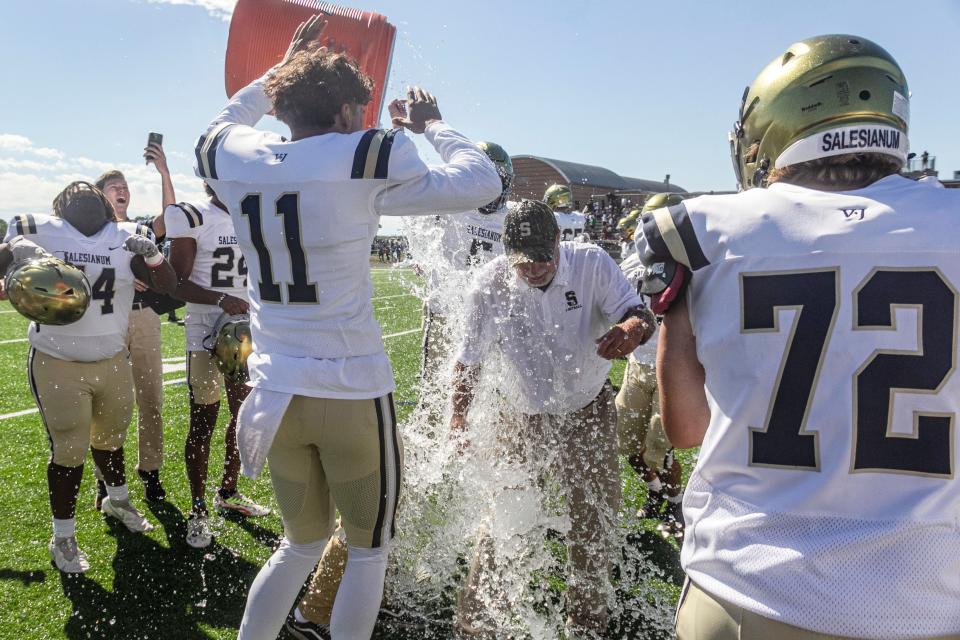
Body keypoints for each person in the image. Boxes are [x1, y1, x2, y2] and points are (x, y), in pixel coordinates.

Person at [637, 35, 960, 640]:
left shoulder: (699, 231)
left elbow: (684, 429)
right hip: (929, 596)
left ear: (775, 127)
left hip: (748, 587)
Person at [193, 15, 501, 640]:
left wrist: (273, 72)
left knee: (298, 547)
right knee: (368, 552)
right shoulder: (365, 153)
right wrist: (434, 124)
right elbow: (484, 181)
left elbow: (224, 122)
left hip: (275, 391)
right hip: (352, 392)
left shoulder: (240, 157)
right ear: (342, 112)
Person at [285, 140, 516, 637]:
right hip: (454, 358)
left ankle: (445, 600)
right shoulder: (465, 211)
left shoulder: (477, 212)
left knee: (475, 484)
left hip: (490, 362)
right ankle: (330, 601)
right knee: (402, 482)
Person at [450, 199, 655, 639]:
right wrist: (458, 418)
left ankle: (587, 621)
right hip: (520, 414)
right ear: (507, 253)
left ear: (560, 240)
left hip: (587, 409)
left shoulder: (592, 263)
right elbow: (468, 362)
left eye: (544, 258)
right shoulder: (488, 285)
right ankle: (478, 620)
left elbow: (640, 314)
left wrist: (631, 329)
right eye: (524, 263)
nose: (536, 269)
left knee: (593, 519)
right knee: (506, 516)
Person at [0, 181, 177, 573]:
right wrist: (12, 254)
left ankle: (117, 499)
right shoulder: (36, 229)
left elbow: (169, 286)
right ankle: (62, 536)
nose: (82, 192)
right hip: (56, 358)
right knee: (68, 451)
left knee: (111, 441)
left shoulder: (128, 235)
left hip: (113, 357)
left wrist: (152, 258)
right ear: (59, 207)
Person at [165, 184, 270, 549]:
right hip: (206, 329)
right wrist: (220, 298)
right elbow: (175, 283)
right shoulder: (194, 214)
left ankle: (228, 491)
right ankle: (197, 509)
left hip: (243, 331)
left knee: (242, 416)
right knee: (203, 419)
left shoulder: (253, 215)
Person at [92, 139, 177, 504]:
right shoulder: (91, 236)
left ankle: (151, 470)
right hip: (106, 319)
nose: (123, 190)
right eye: (115, 186)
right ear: (99, 196)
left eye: (125, 186)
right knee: (107, 402)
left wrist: (164, 172)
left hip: (142, 318)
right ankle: (106, 478)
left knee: (150, 397)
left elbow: (170, 217)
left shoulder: (140, 231)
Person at [615, 249, 685, 540]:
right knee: (625, 442)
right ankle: (655, 492)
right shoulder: (630, 264)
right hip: (637, 365)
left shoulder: (690, 264)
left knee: (661, 446)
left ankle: (675, 506)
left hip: (672, 367)